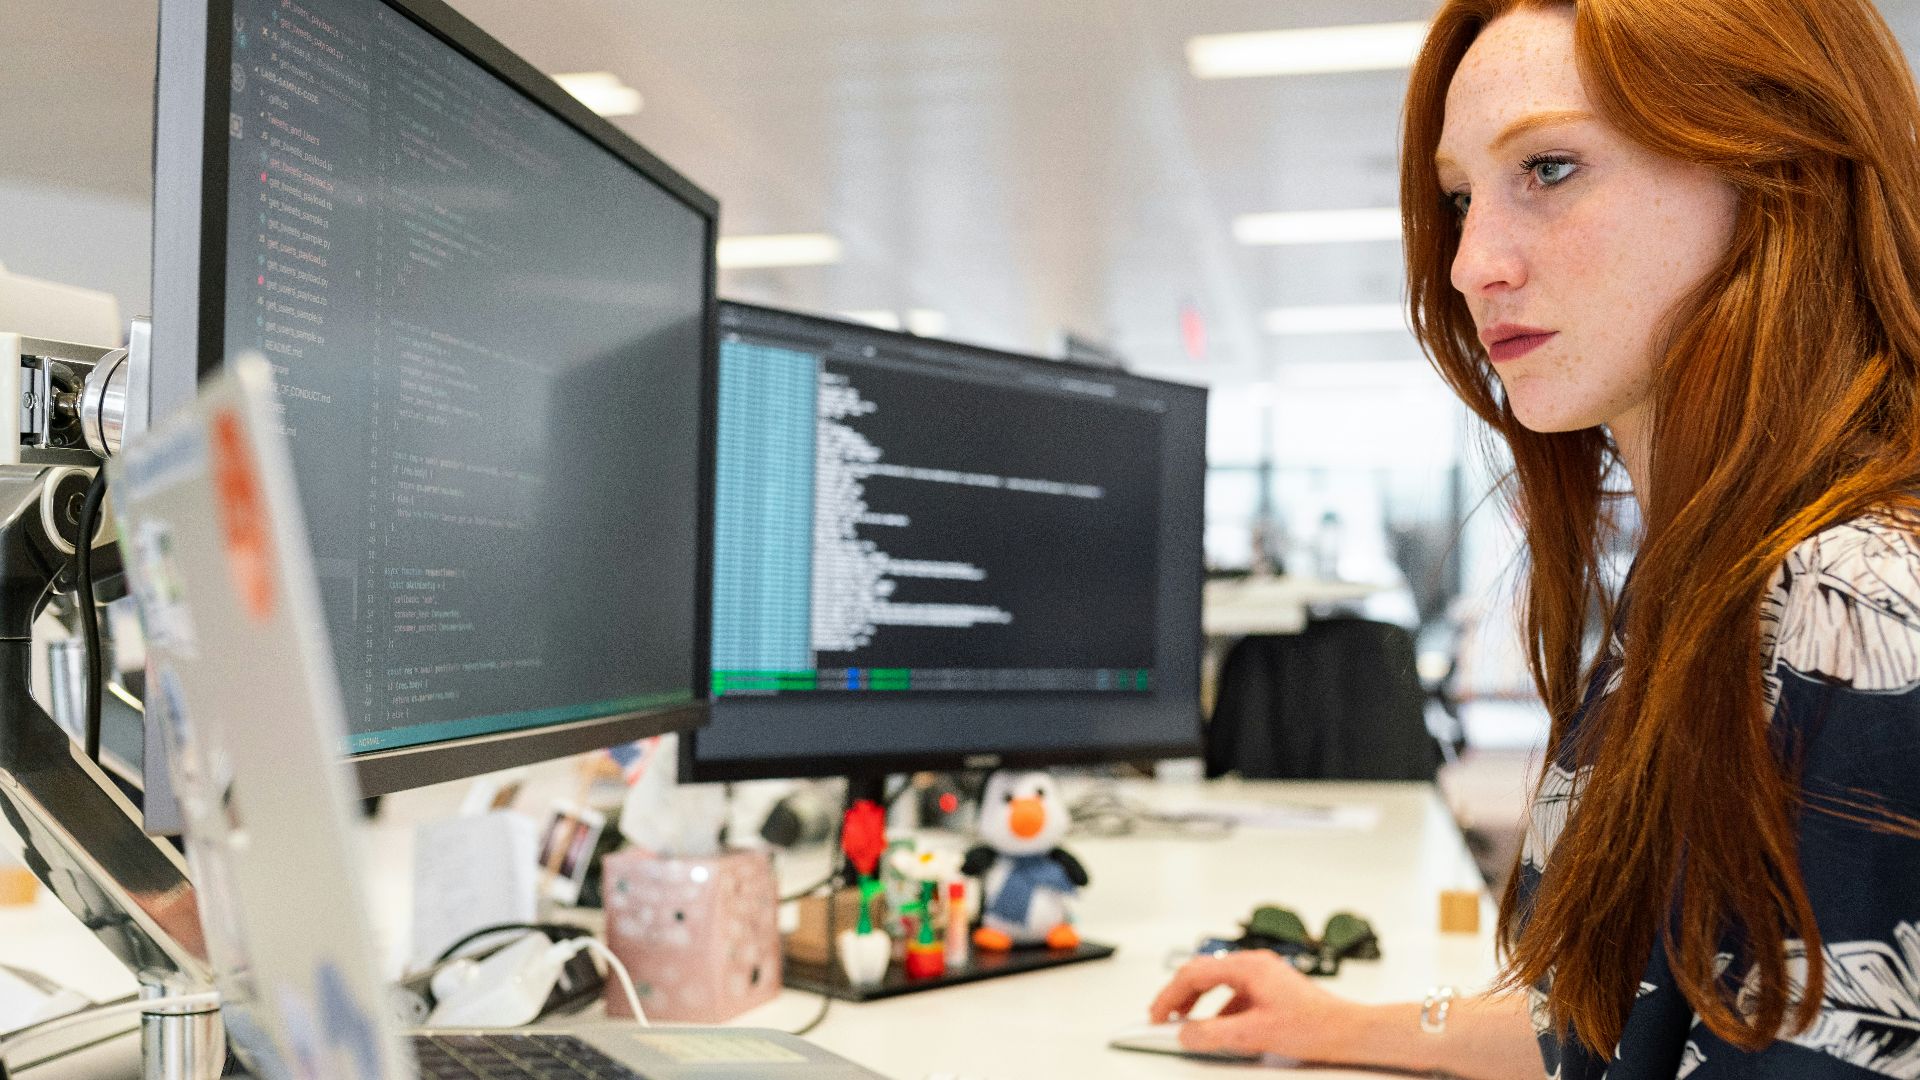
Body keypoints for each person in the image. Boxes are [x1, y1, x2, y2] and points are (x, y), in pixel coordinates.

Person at [1150, 0, 1920, 1076]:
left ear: (1779, 168)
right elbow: (1625, 1020)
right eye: (1461, 197)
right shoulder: (1712, 583)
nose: (1469, 264)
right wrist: (1336, 1028)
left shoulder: (1852, 609)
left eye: (1550, 169)